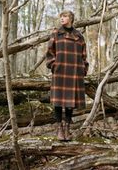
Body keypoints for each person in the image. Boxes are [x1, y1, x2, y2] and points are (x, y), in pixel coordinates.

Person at [46, 10, 89, 141]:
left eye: (64, 16)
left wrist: (83, 69)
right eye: (61, 17)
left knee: (70, 102)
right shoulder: (56, 34)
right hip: (60, 72)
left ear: (71, 18)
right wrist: (54, 65)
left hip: (74, 73)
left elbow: (84, 56)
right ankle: (59, 129)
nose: (62, 19)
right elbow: (49, 52)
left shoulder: (79, 36)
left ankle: (67, 129)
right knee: (58, 102)